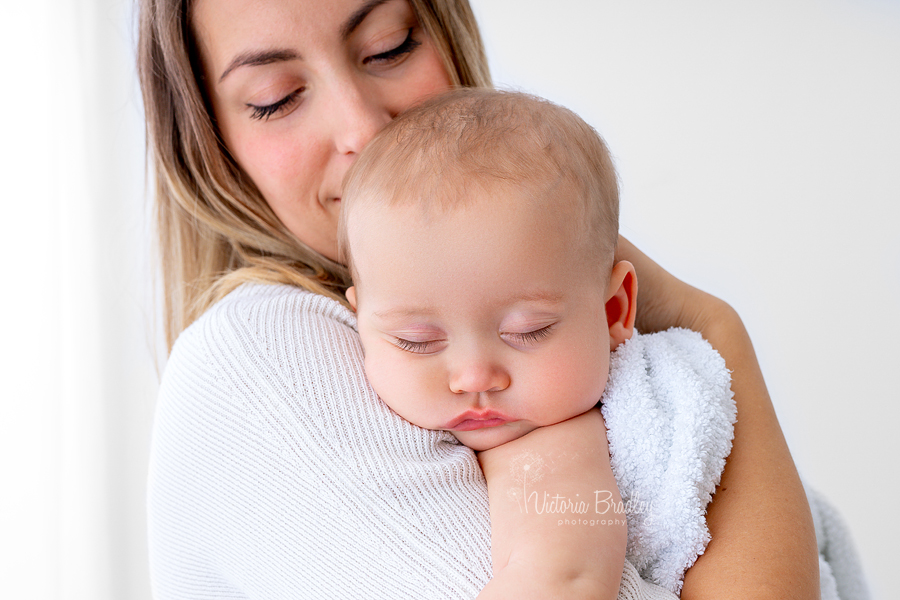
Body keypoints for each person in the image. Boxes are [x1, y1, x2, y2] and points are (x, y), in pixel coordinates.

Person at [139, 0, 819, 598]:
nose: (364, 129)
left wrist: (706, 326)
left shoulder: (599, 351)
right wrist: (712, 325)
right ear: (211, 149)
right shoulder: (261, 354)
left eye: (388, 46)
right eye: (277, 96)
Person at [341, 88, 635, 599]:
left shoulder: (556, 448)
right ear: (357, 322)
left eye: (527, 331)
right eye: (417, 341)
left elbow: (564, 579)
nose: (474, 377)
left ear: (613, 311)